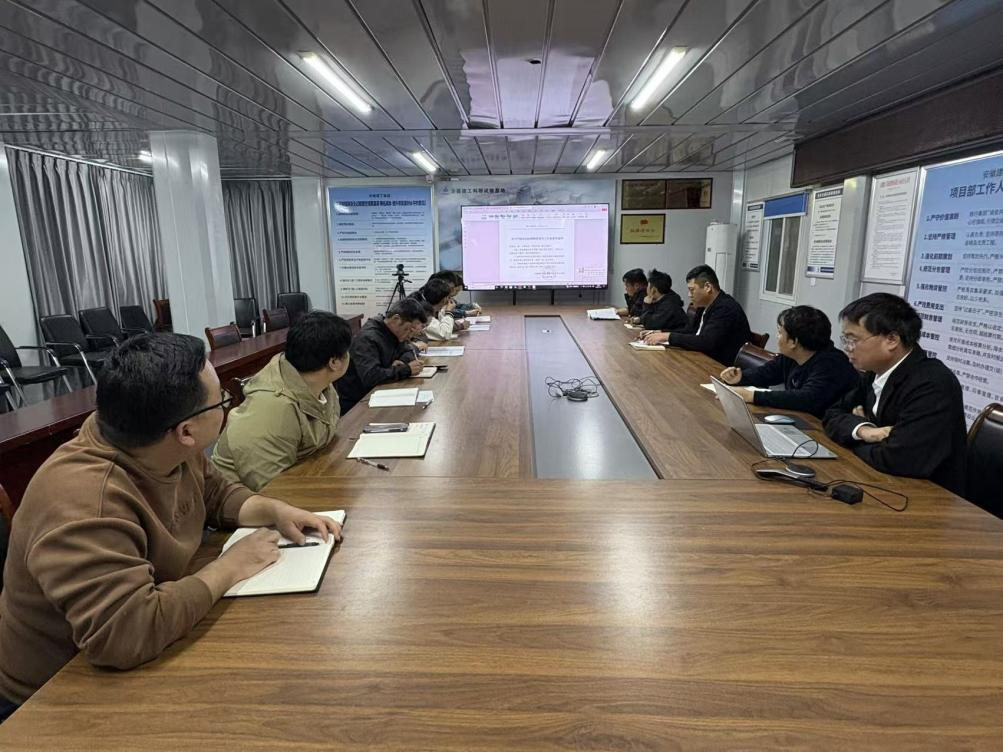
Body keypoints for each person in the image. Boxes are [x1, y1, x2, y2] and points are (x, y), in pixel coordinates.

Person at [0, 334, 341, 717]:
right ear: (186, 431)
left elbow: (215, 494)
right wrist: (230, 567)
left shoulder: (158, 442)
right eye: (222, 400)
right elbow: (125, 634)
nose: (227, 405)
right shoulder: (86, 500)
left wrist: (273, 510)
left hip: (144, 638)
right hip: (53, 698)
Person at [823, 293, 966, 494]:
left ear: (891, 340)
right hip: (881, 483)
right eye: (845, 339)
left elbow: (898, 459)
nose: (847, 348)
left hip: (928, 497)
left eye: (853, 339)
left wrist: (851, 438)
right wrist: (864, 430)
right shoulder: (875, 372)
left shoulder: (932, 384)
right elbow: (831, 414)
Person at [212, 311, 352, 492]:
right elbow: (273, 489)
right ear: (334, 362)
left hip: (304, 476)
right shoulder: (271, 408)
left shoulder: (320, 382)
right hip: (244, 499)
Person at [719, 306, 859, 418]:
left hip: (825, 431)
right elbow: (766, 373)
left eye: (780, 332)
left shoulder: (832, 364)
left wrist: (752, 396)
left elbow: (807, 399)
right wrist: (740, 377)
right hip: (800, 420)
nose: (777, 337)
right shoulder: (791, 356)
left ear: (794, 342)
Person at [642, 264, 752, 365]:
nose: (689, 295)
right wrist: (661, 332)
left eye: (692, 290)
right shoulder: (704, 306)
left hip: (721, 368)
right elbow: (692, 331)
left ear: (707, 287)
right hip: (703, 360)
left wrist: (668, 336)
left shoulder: (725, 308)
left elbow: (706, 342)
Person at [335, 298, 428, 414]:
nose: (409, 335)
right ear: (396, 319)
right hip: (359, 403)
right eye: (408, 330)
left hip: (381, 394)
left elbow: (408, 351)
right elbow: (371, 376)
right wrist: (406, 370)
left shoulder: (393, 332)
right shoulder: (368, 338)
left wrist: (402, 362)